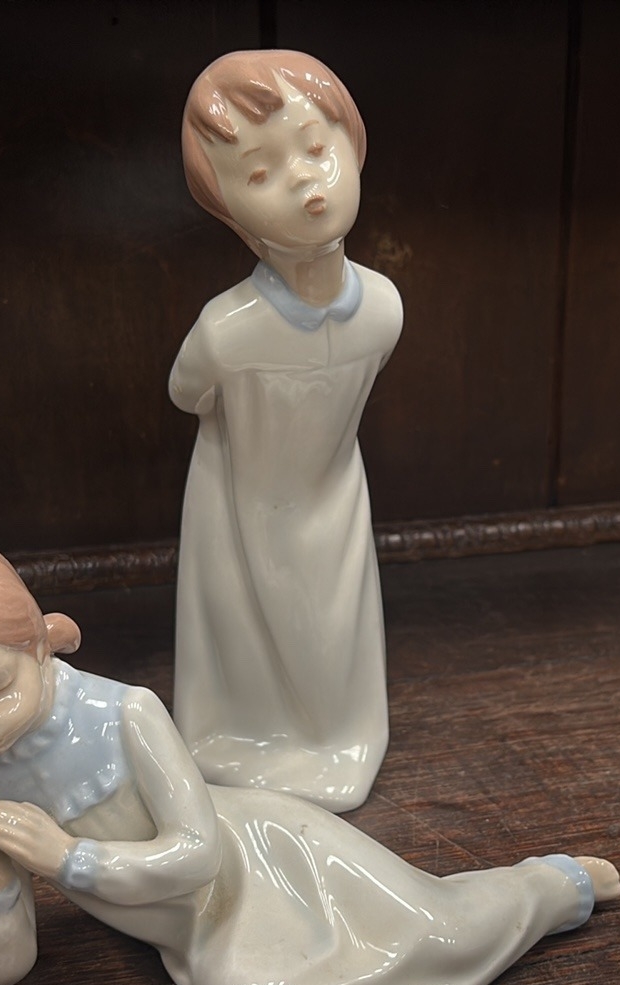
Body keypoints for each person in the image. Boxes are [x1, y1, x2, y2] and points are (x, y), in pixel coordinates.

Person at [0, 532, 620, 985]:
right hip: (202, 932)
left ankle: (547, 889)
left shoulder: (125, 714)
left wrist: (69, 859)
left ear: (41, 643)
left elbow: (197, 854)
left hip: (262, 853)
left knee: (435, 928)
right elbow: (2, 973)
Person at [167, 50, 400, 813]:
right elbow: (187, 390)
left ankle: (336, 740)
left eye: (316, 149)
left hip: (331, 492)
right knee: (241, 626)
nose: (305, 181)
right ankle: (249, 739)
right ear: (227, 210)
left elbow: (189, 396)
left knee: (331, 625)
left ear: (355, 149)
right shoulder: (227, 329)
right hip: (238, 496)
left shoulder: (383, 308)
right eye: (261, 173)